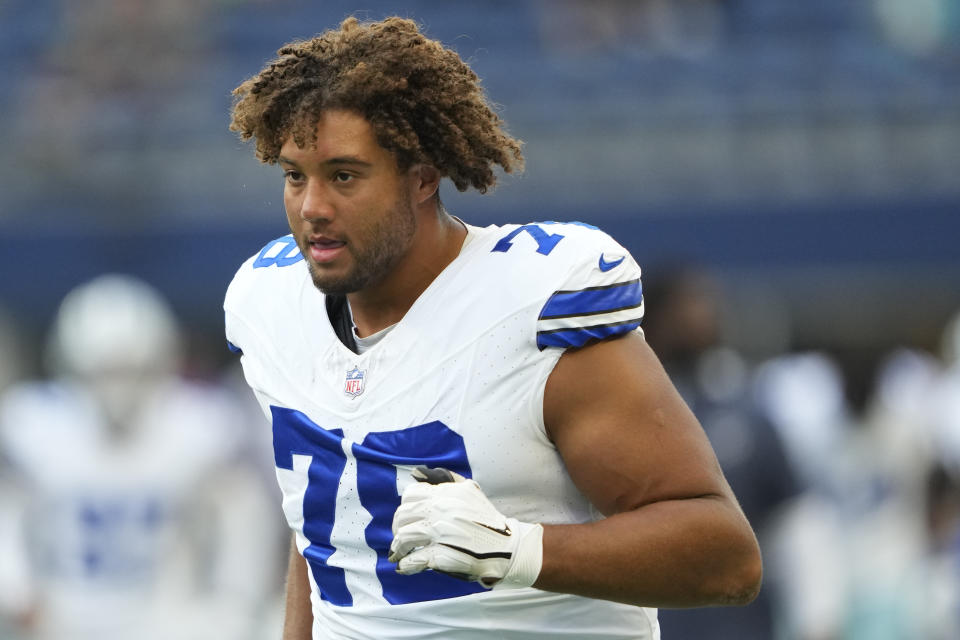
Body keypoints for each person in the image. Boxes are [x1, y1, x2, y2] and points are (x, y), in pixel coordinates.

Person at [224, 16, 761, 640]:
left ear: (423, 177)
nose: (312, 206)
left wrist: (519, 551)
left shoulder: (531, 306)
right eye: (295, 176)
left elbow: (726, 559)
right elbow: (320, 531)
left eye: (344, 175)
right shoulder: (269, 301)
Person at [0, 274, 280, 640]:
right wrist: (16, 589)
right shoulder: (33, 425)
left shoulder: (199, 426)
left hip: (167, 621)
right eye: (103, 373)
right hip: (61, 617)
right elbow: (8, 513)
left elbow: (245, 523)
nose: (118, 390)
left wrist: (233, 605)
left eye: (133, 372)